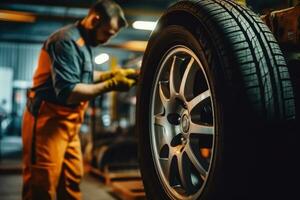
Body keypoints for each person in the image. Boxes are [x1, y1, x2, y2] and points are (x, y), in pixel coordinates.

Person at [21, 0, 138, 199]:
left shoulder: (86, 42)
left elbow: (80, 77)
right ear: (95, 19)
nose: (107, 40)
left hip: (69, 125)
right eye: (108, 33)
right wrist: (111, 85)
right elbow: (69, 91)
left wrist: (109, 75)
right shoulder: (65, 41)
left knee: (71, 180)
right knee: (42, 184)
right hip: (47, 124)